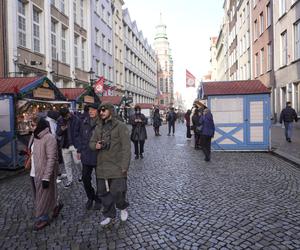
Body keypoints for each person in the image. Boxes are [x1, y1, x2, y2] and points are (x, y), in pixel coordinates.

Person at [89, 103, 131, 226]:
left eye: (104, 110)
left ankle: (122, 207)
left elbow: (126, 148)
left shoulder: (121, 126)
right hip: (102, 166)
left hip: (117, 166)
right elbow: (91, 143)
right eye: (100, 110)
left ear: (111, 111)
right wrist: (95, 145)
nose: (101, 112)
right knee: (103, 193)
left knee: (118, 191)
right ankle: (109, 214)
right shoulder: (98, 127)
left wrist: (125, 166)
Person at [29, 117, 63, 231]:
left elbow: (51, 159)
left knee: (42, 196)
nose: (31, 127)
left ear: (40, 126)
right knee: (37, 195)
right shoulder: (35, 135)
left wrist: (46, 177)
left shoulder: (49, 138)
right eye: (31, 124)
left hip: (44, 173)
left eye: (33, 125)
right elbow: (33, 151)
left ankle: (43, 218)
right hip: (34, 171)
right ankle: (56, 205)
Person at [78, 103, 101, 210]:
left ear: (98, 111)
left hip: (99, 155)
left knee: (99, 179)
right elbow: (81, 137)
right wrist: (79, 150)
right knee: (85, 178)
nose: (91, 111)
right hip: (86, 154)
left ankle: (98, 199)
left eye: (93, 109)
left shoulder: (102, 123)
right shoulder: (84, 122)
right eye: (89, 109)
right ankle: (90, 197)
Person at [56, 107, 81, 188]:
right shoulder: (60, 120)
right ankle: (70, 180)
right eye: (65, 117)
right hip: (65, 145)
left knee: (77, 162)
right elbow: (58, 133)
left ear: (69, 112)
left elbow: (80, 131)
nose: (67, 117)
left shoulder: (76, 119)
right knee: (67, 164)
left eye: (67, 115)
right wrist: (62, 130)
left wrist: (80, 143)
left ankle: (81, 174)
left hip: (74, 144)